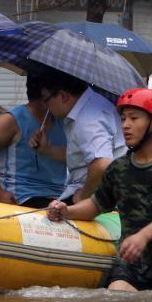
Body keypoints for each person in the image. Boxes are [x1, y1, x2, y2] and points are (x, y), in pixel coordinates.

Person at [47, 88, 152, 293]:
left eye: (134, 118)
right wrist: (66, 211)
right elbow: (96, 205)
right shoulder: (118, 168)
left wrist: (143, 236)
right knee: (118, 294)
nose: (125, 125)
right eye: (123, 118)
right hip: (131, 267)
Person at [0, 75, 67, 208]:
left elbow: (73, 157)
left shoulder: (62, 120)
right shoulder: (12, 120)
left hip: (60, 197)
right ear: (45, 97)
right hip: (22, 198)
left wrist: (48, 150)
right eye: (60, 93)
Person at [38, 69, 125, 203]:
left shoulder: (88, 119)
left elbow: (101, 165)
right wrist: (46, 150)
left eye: (46, 99)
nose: (45, 106)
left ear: (63, 96)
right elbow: (81, 157)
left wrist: (83, 196)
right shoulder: (87, 106)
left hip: (100, 195)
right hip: (99, 189)